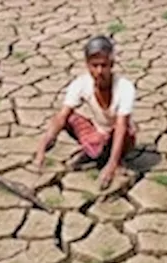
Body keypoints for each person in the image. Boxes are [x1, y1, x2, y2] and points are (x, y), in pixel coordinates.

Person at [32, 35, 137, 189]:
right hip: (98, 133)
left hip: (119, 137)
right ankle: (95, 150)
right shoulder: (81, 84)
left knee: (124, 130)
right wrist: (42, 149)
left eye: (104, 65)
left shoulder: (124, 87)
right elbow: (62, 116)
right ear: (87, 65)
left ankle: (112, 158)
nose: (99, 71)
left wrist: (112, 165)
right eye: (94, 66)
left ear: (112, 64)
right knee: (69, 118)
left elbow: (121, 125)